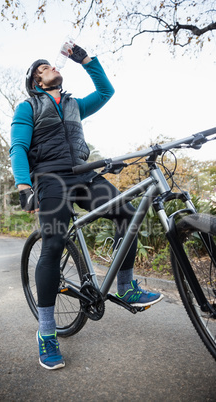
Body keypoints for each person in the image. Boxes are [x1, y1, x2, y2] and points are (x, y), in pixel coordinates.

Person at [10, 44, 163, 370]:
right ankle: (47, 333)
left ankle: (126, 287)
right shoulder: (29, 106)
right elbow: (19, 147)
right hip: (51, 179)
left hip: (84, 174)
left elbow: (106, 91)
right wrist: (25, 187)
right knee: (52, 245)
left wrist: (87, 61)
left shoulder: (74, 105)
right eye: (44, 68)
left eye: (52, 64)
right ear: (37, 81)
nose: (52, 67)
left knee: (128, 211)